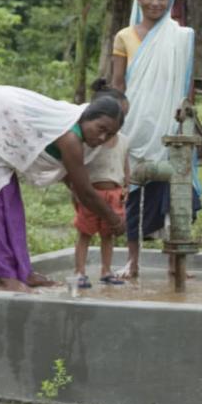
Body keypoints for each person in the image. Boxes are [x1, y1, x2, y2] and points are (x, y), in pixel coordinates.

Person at [0, 85, 126, 292]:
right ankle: (5, 278)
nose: (103, 138)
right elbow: (85, 191)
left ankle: (22, 272)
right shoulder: (70, 138)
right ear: (86, 117)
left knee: (11, 207)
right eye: (101, 128)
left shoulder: (76, 131)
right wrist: (113, 219)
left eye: (110, 134)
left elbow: (73, 179)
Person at [111, 0, 200, 279]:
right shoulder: (124, 36)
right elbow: (118, 83)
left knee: (172, 194)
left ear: (170, 0)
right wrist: (115, 126)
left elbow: (186, 84)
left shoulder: (181, 36)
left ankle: (174, 264)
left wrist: (185, 118)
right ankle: (132, 262)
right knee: (132, 194)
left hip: (169, 126)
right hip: (133, 126)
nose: (155, 2)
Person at [72, 79, 130, 288]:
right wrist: (77, 195)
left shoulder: (123, 140)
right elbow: (78, 169)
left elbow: (125, 165)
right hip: (92, 194)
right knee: (85, 233)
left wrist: (127, 187)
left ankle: (106, 270)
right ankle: (80, 272)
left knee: (109, 234)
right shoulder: (91, 140)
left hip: (115, 193)